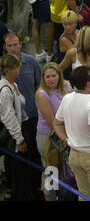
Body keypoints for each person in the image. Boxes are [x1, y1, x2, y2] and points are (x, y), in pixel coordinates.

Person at [53, 66, 90, 201]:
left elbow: (56, 123)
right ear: (88, 84)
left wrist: (66, 139)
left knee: (84, 195)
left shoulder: (67, 98)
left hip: (74, 155)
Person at [3, 32, 43, 194]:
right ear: (5, 47)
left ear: (21, 44)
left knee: (33, 152)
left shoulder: (31, 62)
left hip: (31, 117)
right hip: (11, 124)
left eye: (15, 45)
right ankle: (11, 187)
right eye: (9, 45)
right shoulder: (3, 71)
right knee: (13, 158)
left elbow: (39, 86)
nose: (13, 48)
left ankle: (34, 185)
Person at [35, 62, 72, 201]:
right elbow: (52, 122)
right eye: (47, 76)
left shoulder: (67, 86)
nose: (51, 79)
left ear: (59, 76)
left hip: (65, 132)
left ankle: (63, 196)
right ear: (43, 78)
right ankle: (49, 198)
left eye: (53, 76)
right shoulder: (41, 94)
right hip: (47, 136)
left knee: (64, 169)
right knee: (50, 170)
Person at [0, 54, 32, 201]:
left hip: (21, 128)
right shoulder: (5, 90)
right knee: (17, 171)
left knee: (22, 172)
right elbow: (8, 117)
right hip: (13, 137)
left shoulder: (14, 85)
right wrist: (19, 139)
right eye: (16, 67)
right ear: (10, 70)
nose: (18, 70)